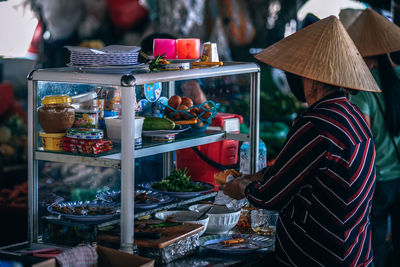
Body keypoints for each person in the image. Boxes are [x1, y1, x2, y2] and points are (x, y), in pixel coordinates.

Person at [221, 16, 380, 266]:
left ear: (313, 77)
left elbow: (269, 197)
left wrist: (240, 188)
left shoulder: (316, 124)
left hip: (319, 256)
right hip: (355, 251)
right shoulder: (352, 115)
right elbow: (297, 170)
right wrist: (254, 176)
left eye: (297, 72)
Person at [346, 8, 400, 267]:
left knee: (374, 245)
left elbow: (362, 141)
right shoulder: (398, 77)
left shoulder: (362, 90)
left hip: (378, 182)